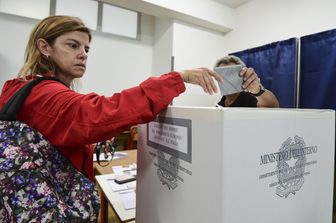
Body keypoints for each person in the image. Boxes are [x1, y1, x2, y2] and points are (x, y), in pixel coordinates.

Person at [0, 15, 223, 182]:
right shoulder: (43, 94)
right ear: (44, 47)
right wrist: (179, 78)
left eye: (86, 48)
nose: (83, 53)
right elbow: (99, 113)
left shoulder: (22, 86)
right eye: (72, 45)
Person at [215, 55, 279, 107]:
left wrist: (258, 91)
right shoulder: (219, 105)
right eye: (222, 74)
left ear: (241, 75)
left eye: (231, 73)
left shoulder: (251, 98)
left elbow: (272, 106)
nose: (227, 78)